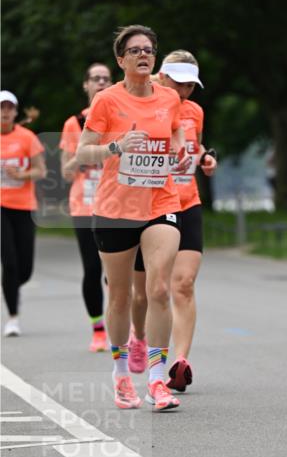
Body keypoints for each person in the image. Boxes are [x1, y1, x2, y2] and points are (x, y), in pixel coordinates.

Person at [75, 25, 189, 411]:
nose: (144, 55)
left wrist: (180, 152)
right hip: (115, 210)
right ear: (120, 59)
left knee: (158, 289)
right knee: (121, 296)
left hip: (161, 202)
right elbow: (83, 151)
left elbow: (175, 132)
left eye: (149, 50)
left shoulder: (168, 97)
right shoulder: (106, 100)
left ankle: (157, 380)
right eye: (135, 50)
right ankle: (122, 373)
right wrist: (117, 146)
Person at [128, 51, 217, 391]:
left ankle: (179, 363)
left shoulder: (194, 111)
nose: (184, 91)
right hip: (147, 207)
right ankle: (139, 335)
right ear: (162, 77)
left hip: (186, 201)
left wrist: (205, 158)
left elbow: (194, 146)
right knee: (145, 293)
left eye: (190, 86)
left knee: (183, 284)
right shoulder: (140, 104)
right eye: (178, 83)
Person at [60, 62, 113, 352]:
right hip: (84, 207)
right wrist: (86, 152)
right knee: (92, 269)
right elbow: (66, 173)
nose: (101, 83)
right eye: (95, 78)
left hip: (117, 204)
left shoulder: (119, 117)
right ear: (86, 85)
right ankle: (98, 330)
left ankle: (124, 327)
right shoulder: (74, 123)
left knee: (117, 273)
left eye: (106, 79)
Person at [0, 90, 47, 336]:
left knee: (24, 269)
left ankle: (10, 288)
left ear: (16, 112)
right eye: (1, 107)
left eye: (9, 107)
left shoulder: (27, 137)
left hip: (24, 206)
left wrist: (21, 175)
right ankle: (13, 318)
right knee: (9, 262)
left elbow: (41, 171)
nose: (5, 112)